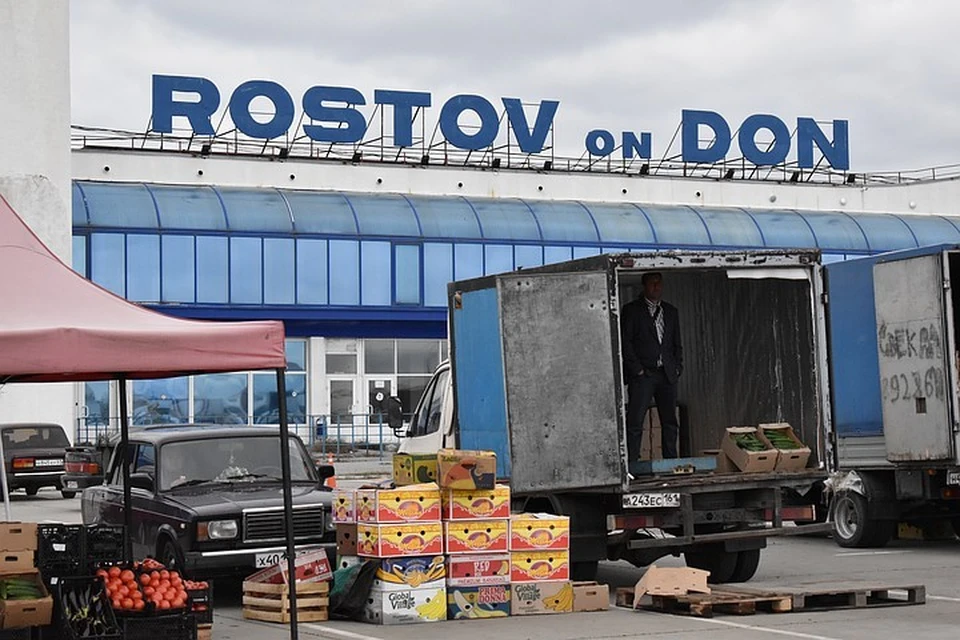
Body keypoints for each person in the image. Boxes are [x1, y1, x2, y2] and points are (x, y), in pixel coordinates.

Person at [621, 271, 683, 461]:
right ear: (644, 286)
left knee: (670, 421)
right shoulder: (632, 310)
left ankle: (671, 460)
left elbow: (676, 343)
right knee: (636, 420)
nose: (656, 287)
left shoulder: (670, 311)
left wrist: (677, 366)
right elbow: (625, 342)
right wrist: (637, 369)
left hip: (666, 374)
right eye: (652, 284)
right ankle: (632, 464)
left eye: (659, 284)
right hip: (644, 374)